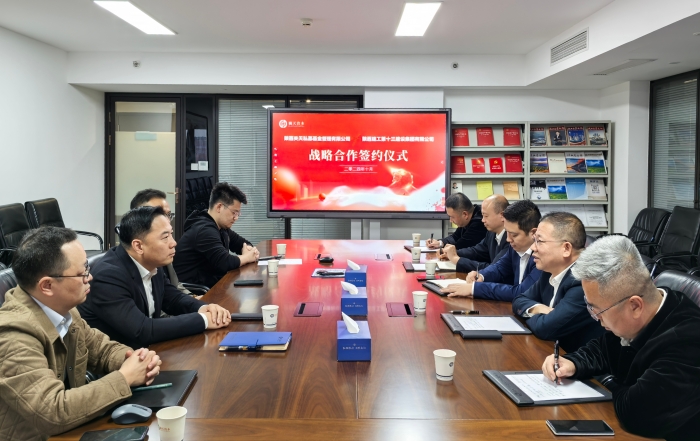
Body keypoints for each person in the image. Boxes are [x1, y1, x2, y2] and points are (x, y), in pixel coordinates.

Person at [0, 227, 161, 440]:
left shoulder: (65, 310)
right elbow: (53, 411)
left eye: (87, 267)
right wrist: (125, 378)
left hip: (73, 431)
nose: (90, 277)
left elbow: (101, 350)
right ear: (47, 286)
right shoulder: (12, 334)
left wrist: (136, 360)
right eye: (82, 272)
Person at [542, 236, 700, 441]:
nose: (596, 318)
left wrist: (608, 381)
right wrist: (572, 362)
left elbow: (635, 413)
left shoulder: (688, 341)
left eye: (598, 310)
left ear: (635, 306)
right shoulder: (643, 313)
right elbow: (603, 349)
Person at [78, 206, 231, 348]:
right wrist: (203, 320)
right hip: (119, 359)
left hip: (149, 351)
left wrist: (203, 308)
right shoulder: (108, 276)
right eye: (165, 237)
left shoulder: (151, 262)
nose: (174, 243)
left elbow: (173, 298)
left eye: (171, 234)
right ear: (138, 246)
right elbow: (141, 330)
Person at [512, 212, 603, 352]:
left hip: (578, 361)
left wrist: (535, 316)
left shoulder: (584, 281)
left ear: (566, 248)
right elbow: (519, 299)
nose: (533, 248)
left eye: (539, 241)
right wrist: (537, 308)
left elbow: (545, 329)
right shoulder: (549, 270)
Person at [441, 200, 542, 301]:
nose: (508, 239)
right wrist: (481, 275)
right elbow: (499, 268)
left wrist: (474, 289)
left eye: (514, 235)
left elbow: (522, 292)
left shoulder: (541, 256)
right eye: (507, 232)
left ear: (533, 233)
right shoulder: (514, 248)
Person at [173, 183, 259, 287]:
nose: (236, 218)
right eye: (234, 213)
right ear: (219, 207)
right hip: (196, 291)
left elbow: (243, 243)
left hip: (213, 285)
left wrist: (248, 251)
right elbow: (225, 262)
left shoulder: (221, 227)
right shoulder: (204, 230)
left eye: (238, 214)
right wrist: (247, 257)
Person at [130, 188, 194, 296]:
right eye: (157, 215)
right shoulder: (129, 263)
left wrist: (195, 298)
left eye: (168, 215)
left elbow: (174, 287)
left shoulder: (164, 246)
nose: (166, 221)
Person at [440, 194, 509, 272]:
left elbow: (494, 269)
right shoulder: (491, 233)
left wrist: (457, 259)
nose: (483, 220)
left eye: (486, 216)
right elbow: (476, 251)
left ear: (502, 215)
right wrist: (453, 253)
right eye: (482, 215)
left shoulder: (511, 239)